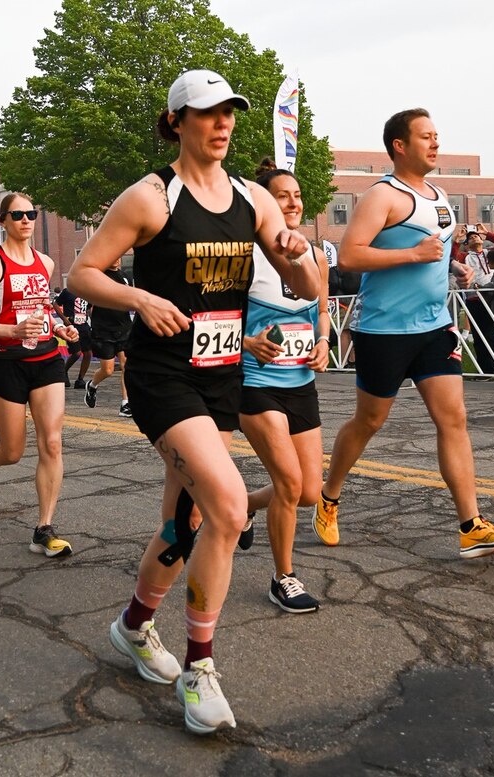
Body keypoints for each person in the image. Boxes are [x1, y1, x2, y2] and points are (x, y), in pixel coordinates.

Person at [67, 70, 320, 734]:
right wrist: (141, 297)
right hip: (163, 379)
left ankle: (132, 625)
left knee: (185, 528)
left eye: (230, 112)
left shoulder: (255, 199)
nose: (223, 123)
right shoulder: (151, 198)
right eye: (208, 113)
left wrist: (295, 254)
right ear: (176, 120)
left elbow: (309, 284)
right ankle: (199, 668)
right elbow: (82, 273)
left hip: (222, 376)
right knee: (231, 506)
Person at [314, 108, 494, 560]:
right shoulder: (382, 196)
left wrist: (455, 266)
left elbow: (437, 250)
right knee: (369, 421)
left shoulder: (440, 195)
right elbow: (349, 257)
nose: (435, 143)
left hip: (434, 327)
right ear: (399, 146)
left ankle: (471, 526)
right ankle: (329, 497)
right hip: (383, 330)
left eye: (437, 136)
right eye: (426, 137)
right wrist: (413, 254)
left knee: (454, 420)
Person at [0, 193, 81, 559]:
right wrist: (13, 331)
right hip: (6, 362)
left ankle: (44, 528)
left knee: (52, 442)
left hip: (46, 360)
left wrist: (59, 329)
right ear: (2, 221)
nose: (26, 220)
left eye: (31, 214)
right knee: (12, 451)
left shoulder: (44, 262)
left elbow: (41, 309)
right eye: (18, 215)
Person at [239, 159, 331, 614]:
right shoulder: (246, 253)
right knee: (289, 482)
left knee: (309, 491)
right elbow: (211, 314)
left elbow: (322, 310)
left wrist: (323, 341)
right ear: (264, 205)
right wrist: (245, 341)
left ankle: (245, 506)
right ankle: (284, 577)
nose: (293, 203)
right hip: (255, 381)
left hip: (301, 381)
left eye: (297, 196)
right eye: (282, 196)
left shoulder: (314, 254)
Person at [454, 224, 494, 375]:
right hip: (475, 299)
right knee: (480, 335)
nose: (474, 238)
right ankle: (486, 370)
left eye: (476, 236)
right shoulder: (465, 257)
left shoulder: (490, 254)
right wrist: (457, 241)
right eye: (470, 238)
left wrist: (487, 233)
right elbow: (451, 258)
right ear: (466, 245)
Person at [83, 257, 135, 417]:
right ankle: (92, 385)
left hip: (124, 328)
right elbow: (89, 306)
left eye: (119, 256)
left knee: (127, 365)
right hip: (104, 330)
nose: (116, 259)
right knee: (108, 370)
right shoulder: (98, 275)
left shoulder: (125, 277)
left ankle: (125, 404)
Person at [54, 285, 93, 388]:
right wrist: (64, 319)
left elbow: (88, 308)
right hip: (72, 325)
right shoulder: (68, 291)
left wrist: (91, 319)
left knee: (88, 353)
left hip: (84, 326)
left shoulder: (87, 292)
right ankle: (64, 372)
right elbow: (55, 304)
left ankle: (80, 379)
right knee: (77, 353)